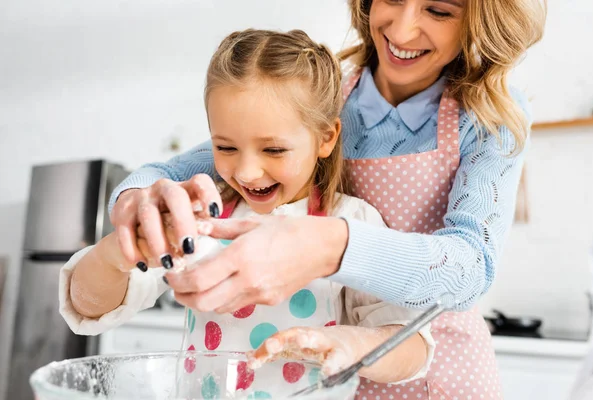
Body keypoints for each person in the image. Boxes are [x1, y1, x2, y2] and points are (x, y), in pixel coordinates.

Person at [103, 0, 547, 398]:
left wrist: (329, 246)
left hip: (439, 370)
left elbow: (471, 267)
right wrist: (133, 204)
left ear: (480, 19)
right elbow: (169, 173)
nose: (404, 29)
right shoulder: (326, 95)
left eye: (440, 11)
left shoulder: (490, 113)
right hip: (325, 369)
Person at [60, 29, 435, 396]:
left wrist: (348, 345)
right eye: (225, 147)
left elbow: (412, 343)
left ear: (326, 137)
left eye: (273, 150)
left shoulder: (351, 222)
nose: (245, 172)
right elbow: (87, 304)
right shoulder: (200, 220)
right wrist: (118, 254)